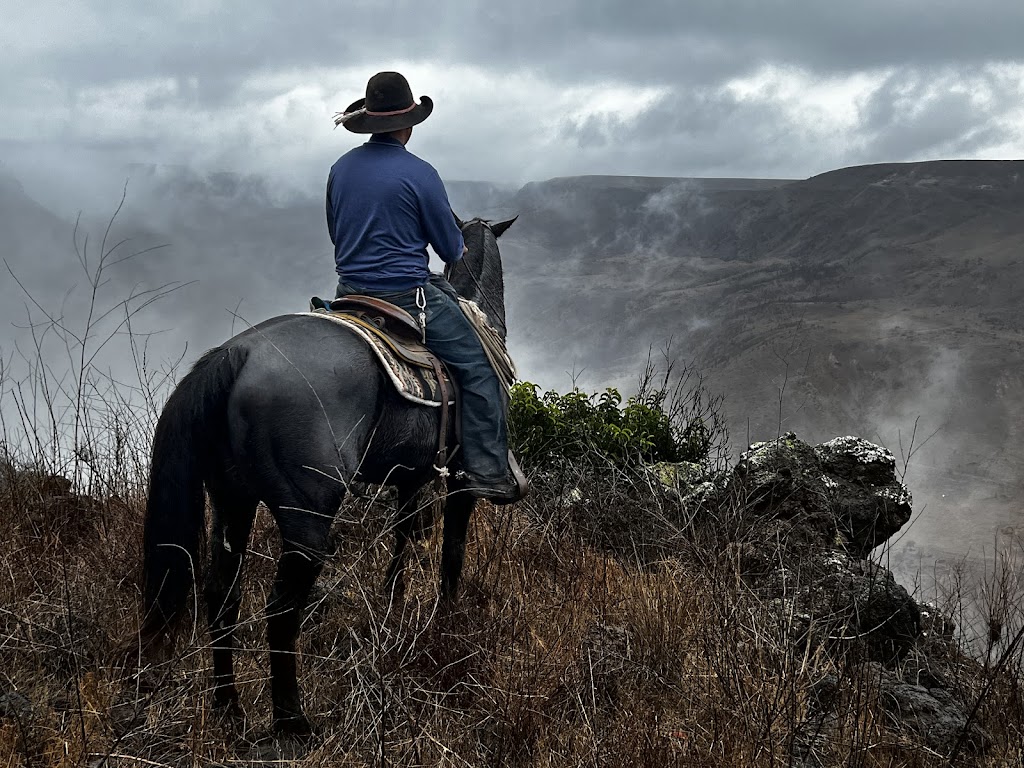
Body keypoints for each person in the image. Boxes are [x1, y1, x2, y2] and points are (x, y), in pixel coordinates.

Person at [326, 71, 520, 504]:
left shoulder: (340, 169)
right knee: (483, 369)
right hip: (407, 298)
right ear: (407, 123)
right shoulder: (420, 173)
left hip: (349, 293)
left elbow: (336, 232)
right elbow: (453, 251)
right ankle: (488, 472)